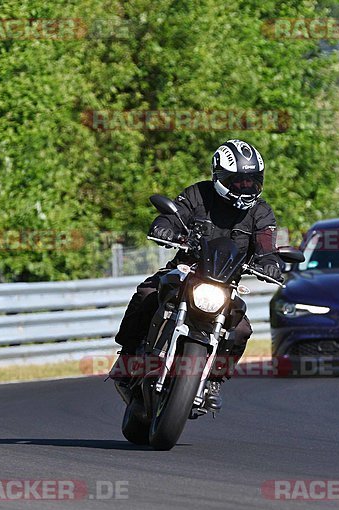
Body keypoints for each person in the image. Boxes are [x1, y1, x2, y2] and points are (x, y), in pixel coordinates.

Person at [111, 139, 283, 409]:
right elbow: (173, 215)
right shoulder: (198, 195)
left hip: (226, 284)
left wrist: (271, 262)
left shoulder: (260, 212)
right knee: (146, 294)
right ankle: (127, 358)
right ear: (220, 177)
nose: (246, 188)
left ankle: (213, 380)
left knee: (240, 329)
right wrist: (164, 227)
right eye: (239, 182)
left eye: (252, 181)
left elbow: (266, 245)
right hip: (186, 270)